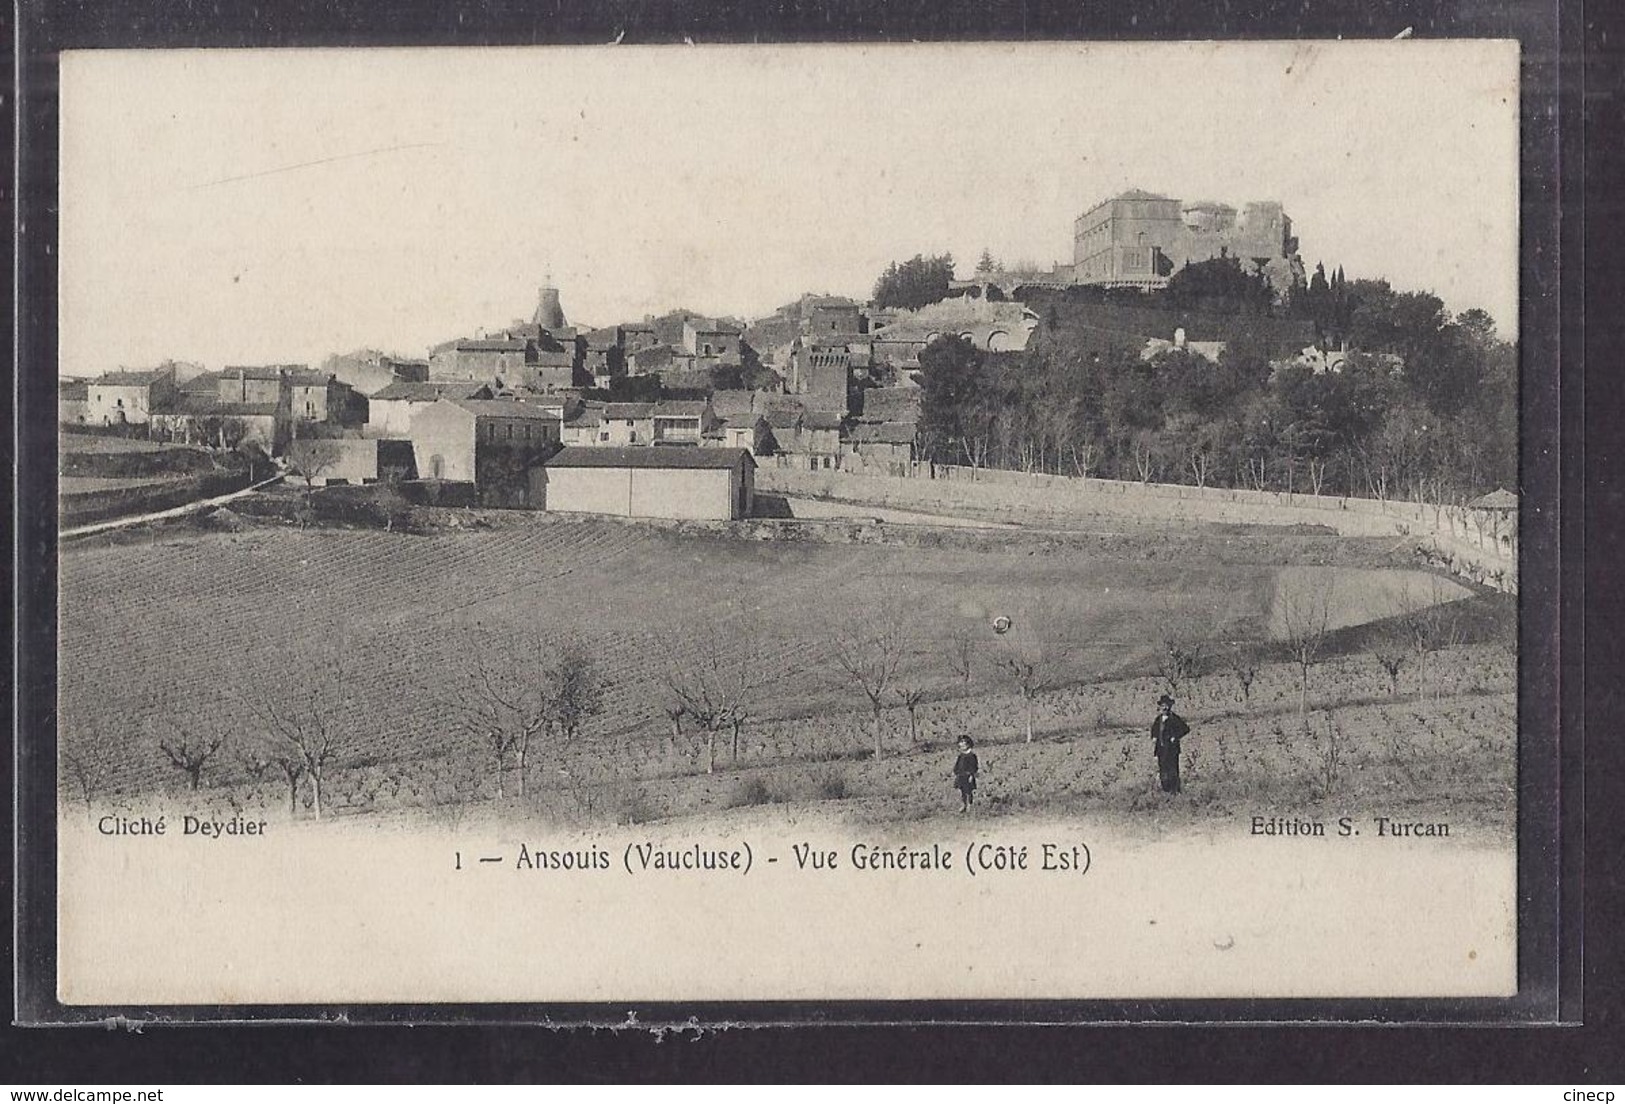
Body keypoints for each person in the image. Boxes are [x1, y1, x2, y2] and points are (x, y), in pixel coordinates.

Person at [1151, 694, 1190, 794]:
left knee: (1173, 769)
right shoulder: (1158, 720)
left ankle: (1175, 791)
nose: (1165, 707)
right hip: (1161, 749)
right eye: (1163, 705)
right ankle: (1166, 790)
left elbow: (1185, 729)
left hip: (1172, 749)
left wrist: (1175, 736)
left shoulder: (1174, 719)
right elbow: (1154, 731)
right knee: (1163, 769)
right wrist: (1154, 737)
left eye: (1167, 705)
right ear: (1160, 707)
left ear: (1170, 706)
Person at [952, 736, 979, 813]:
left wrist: (971, 775)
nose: (961, 744)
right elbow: (957, 765)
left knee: (969, 791)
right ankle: (964, 805)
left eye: (964, 743)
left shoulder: (971, 755)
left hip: (968, 776)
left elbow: (974, 766)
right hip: (961, 776)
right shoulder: (961, 755)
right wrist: (956, 771)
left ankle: (970, 805)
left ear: (968, 744)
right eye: (960, 743)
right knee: (962, 791)